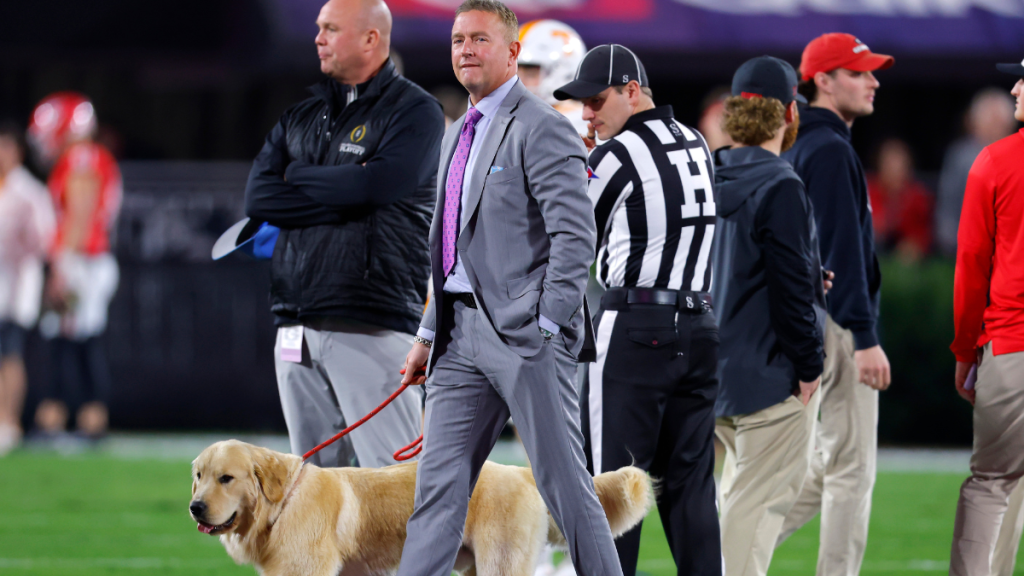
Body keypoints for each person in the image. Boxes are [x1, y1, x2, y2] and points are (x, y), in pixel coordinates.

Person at [396, 2, 623, 574]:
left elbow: (576, 239)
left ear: (512, 52)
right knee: (436, 494)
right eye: (457, 39)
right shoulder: (458, 131)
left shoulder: (543, 126)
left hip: (526, 339)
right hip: (457, 339)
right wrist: (429, 330)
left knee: (566, 488)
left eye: (479, 39)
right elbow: (447, 244)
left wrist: (546, 324)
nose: (465, 49)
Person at [242, 0, 445, 469]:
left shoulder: (416, 111)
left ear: (371, 38)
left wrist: (299, 175)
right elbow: (259, 198)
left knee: (397, 489)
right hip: (296, 322)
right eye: (318, 28)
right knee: (315, 499)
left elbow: (379, 185)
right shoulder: (304, 113)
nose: (318, 37)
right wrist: (344, 198)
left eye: (331, 28)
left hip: (371, 321)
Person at [551, 44, 720, 576]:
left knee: (612, 488)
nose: (587, 113)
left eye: (596, 100)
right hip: (701, 327)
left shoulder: (615, 157)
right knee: (691, 490)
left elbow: (564, 238)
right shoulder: (696, 142)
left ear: (632, 90)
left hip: (636, 330)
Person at [776, 33, 894, 576]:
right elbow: (842, 253)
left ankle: (732, 538)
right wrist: (865, 338)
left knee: (827, 465)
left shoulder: (805, 144)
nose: (873, 80)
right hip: (839, 324)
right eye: (859, 72)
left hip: (808, 318)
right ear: (822, 80)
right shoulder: (829, 149)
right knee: (851, 469)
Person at [711, 56, 826, 576]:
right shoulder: (781, 182)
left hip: (705, 370)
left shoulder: (705, 173)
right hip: (768, 375)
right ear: (789, 113)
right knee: (754, 510)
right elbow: (787, 289)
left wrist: (806, 272)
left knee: (728, 504)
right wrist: (809, 365)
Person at [948, 57, 1024, 576]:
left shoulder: (995, 161)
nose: (1016, 86)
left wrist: (964, 349)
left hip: (1012, 346)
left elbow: (973, 265)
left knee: (992, 481)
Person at [27, 92, 121, 442]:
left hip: (85, 260)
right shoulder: (86, 156)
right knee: (66, 340)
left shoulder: (82, 157)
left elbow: (80, 214)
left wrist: (60, 266)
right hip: (86, 259)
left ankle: (87, 420)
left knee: (78, 341)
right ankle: (65, 417)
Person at [0, 123, 55, 454]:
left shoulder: (29, 190)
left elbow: (44, 238)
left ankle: (9, 421)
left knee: (11, 353)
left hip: (17, 282)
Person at [935, 88, 1017, 257]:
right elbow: (948, 207)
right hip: (967, 250)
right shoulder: (960, 157)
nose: (995, 129)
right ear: (975, 124)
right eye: (990, 122)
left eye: (1000, 123)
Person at [866, 137, 934, 261]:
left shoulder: (918, 196)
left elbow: (922, 235)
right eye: (889, 165)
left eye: (900, 166)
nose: (895, 172)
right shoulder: (868, 191)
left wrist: (914, 245)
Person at [517, 19, 588, 135]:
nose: (517, 81)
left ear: (562, 72)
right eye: (512, 72)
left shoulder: (581, 125)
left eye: (530, 73)